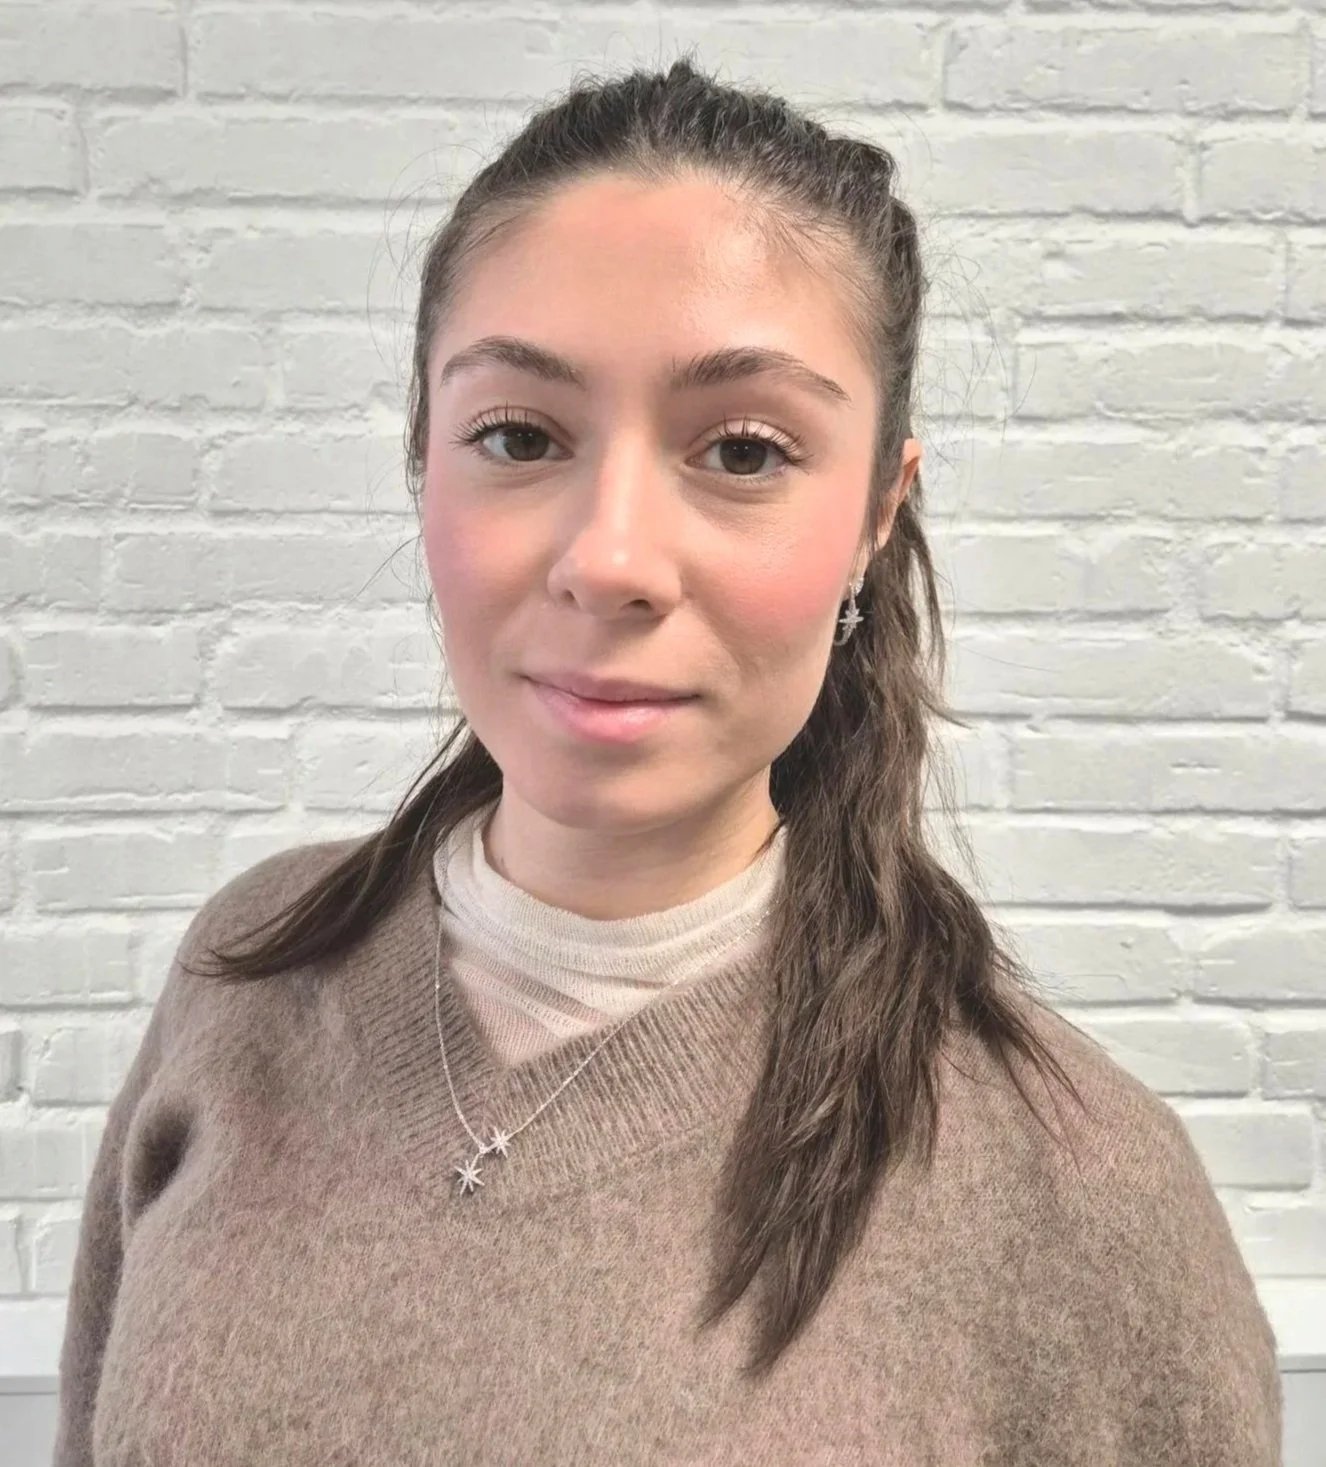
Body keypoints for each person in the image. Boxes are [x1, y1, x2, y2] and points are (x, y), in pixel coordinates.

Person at [52, 54, 1281, 1466]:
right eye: (518, 434)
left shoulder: (1079, 1194)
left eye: (743, 452)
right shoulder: (246, 981)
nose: (612, 557)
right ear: (419, 461)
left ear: (879, 515)